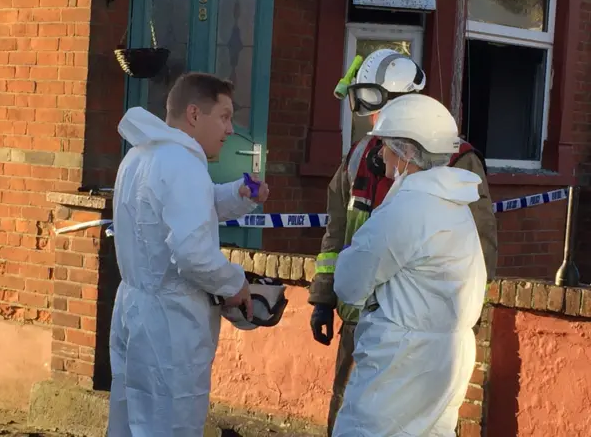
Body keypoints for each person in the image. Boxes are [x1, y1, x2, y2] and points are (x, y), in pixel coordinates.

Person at [308, 49, 498, 436]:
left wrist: (452, 320)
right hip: (360, 319)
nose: (377, 127)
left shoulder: (456, 161)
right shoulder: (360, 155)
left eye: (383, 106)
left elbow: (479, 251)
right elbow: (337, 230)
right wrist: (322, 299)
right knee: (351, 410)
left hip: (418, 327)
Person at [107, 72, 270, 437]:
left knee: (130, 421)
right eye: (225, 116)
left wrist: (237, 196)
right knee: (171, 424)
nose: (230, 129)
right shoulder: (183, 165)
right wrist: (235, 283)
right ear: (194, 114)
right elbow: (192, 253)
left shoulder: (140, 156)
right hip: (172, 325)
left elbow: (179, 211)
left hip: (134, 310)